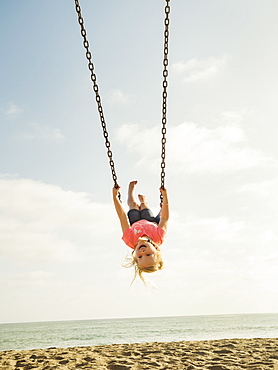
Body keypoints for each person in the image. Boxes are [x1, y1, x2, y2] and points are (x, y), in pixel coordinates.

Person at [113, 180, 169, 283]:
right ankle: (143, 201)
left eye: (139, 257)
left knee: (133, 204)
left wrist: (115, 197)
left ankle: (130, 192)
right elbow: (164, 219)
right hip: (150, 221)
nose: (142, 253)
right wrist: (165, 197)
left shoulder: (129, 239)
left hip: (134, 222)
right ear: (156, 249)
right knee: (143, 206)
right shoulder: (159, 237)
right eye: (148, 255)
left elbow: (122, 217)